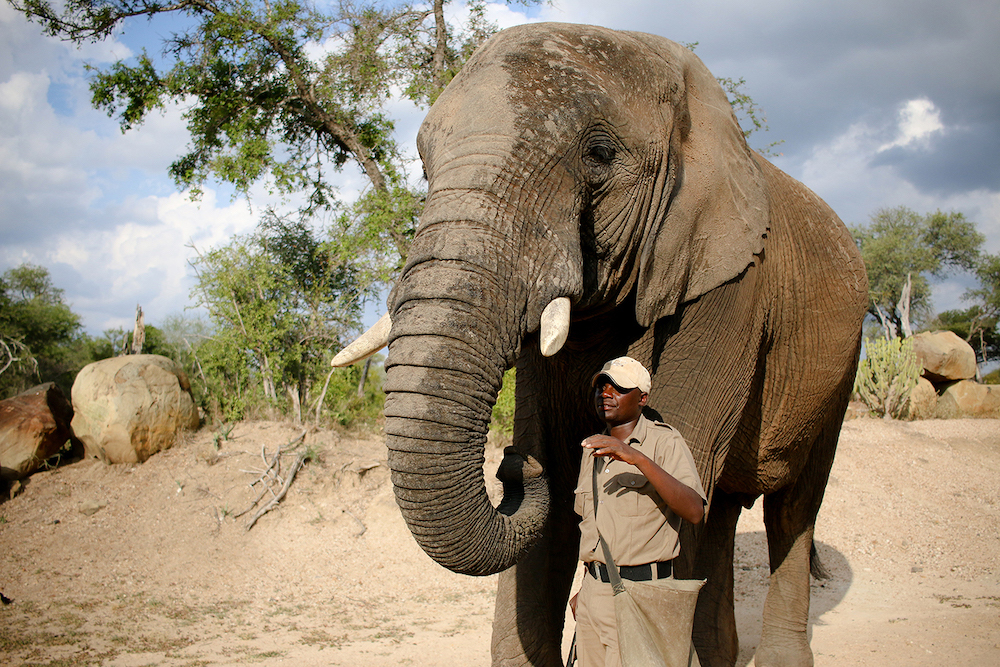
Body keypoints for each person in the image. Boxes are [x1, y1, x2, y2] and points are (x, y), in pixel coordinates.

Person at [570, 356, 706, 667]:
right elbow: (595, 525)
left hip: (640, 596)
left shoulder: (664, 441)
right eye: (601, 387)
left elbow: (694, 510)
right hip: (595, 594)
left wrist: (636, 458)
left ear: (642, 398)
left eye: (618, 388)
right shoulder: (592, 449)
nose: (606, 394)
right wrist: (586, 588)